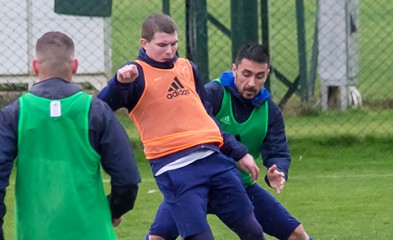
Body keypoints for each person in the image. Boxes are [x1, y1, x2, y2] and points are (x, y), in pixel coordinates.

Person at [98, 13, 265, 240]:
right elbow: (100, 108)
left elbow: (207, 118)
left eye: (174, 44)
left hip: (213, 160)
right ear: (144, 44)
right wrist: (119, 84)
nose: (169, 50)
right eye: (162, 45)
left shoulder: (187, 67)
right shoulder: (134, 74)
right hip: (175, 168)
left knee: (253, 232)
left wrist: (238, 152)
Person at [146, 43, 313, 240]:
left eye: (259, 76)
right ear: (234, 69)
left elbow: (278, 151)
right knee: (158, 237)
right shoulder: (213, 94)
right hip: (192, 184)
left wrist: (278, 170)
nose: (251, 82)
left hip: (240, 187)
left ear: (267, 74)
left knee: (297, 235)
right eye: (246, 74)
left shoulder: (270, 111)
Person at [0, 31, 141, 240]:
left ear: (35, 66)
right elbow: (127, 178)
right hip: (93, 233)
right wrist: (114, 210)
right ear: (75, 66)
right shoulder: (96, 111)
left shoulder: (14, 115)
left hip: (35, 233)